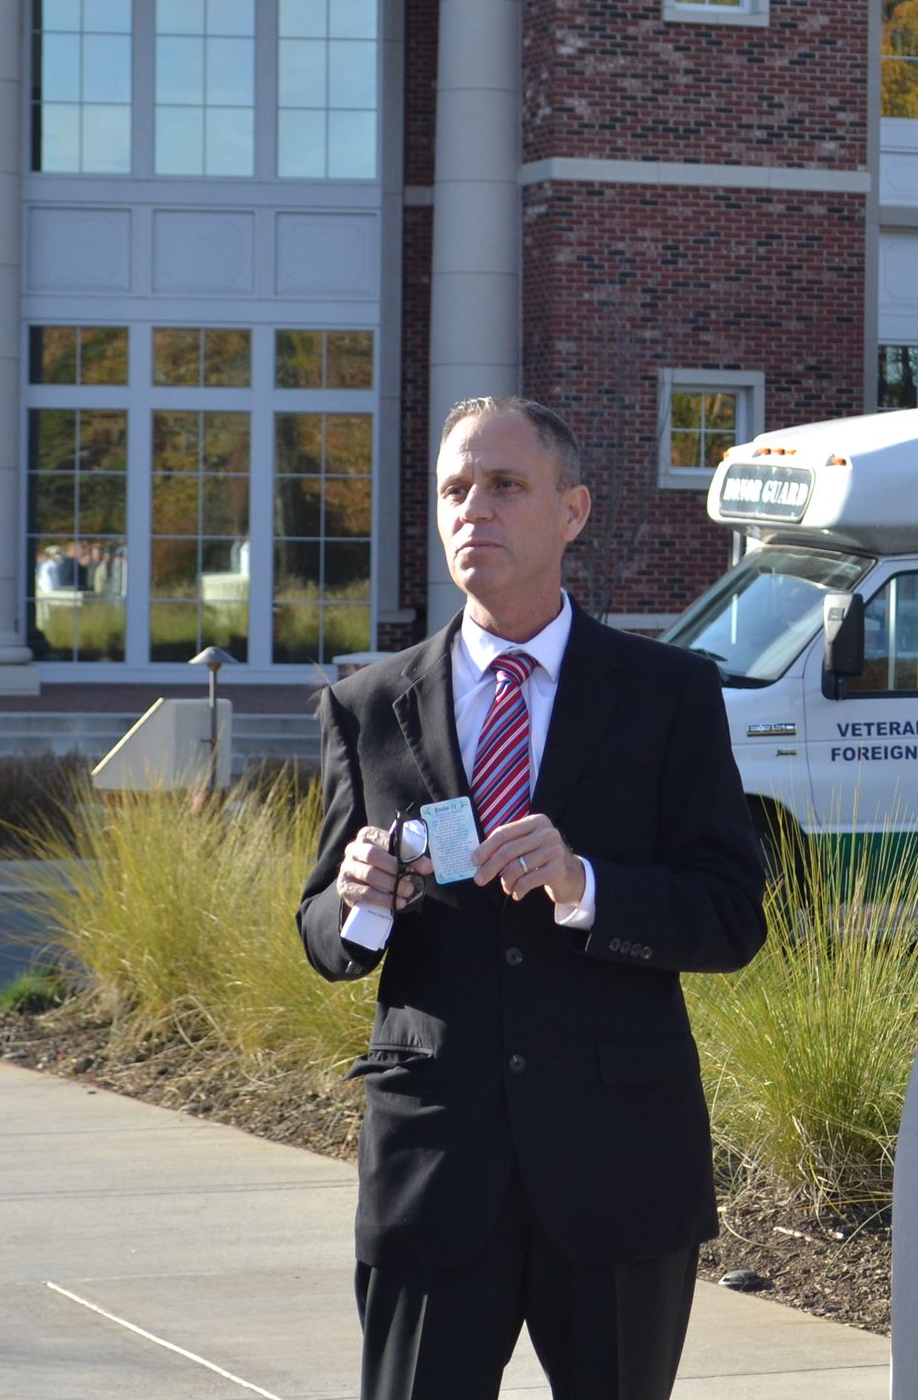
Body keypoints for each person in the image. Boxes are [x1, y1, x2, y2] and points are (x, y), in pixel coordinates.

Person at [298, 395, 768, 1400]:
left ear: (573, 511)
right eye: (455, 489)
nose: (476, 510)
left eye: (506, 486)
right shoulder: (368, 704)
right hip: (432, 1164)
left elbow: (729, 913)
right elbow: (323, 932)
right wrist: (357, 900)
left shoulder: (666, 693)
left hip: (617, 1165)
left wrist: (584, 881)